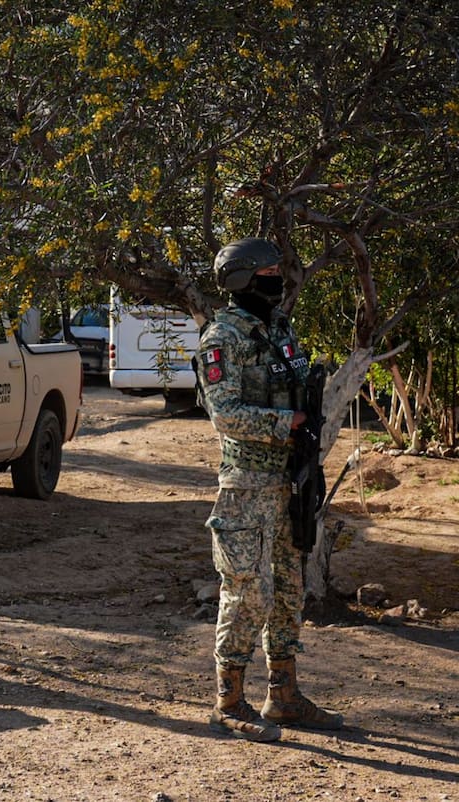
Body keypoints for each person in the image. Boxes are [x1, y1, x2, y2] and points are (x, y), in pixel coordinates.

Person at [195, 237, 344, 742]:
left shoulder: (279, 329)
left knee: (287, 589)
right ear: (246, 278)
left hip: (290, 480)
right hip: (247, 485)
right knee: (246, 589)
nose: (279, 278)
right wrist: (288, 420)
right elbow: (225, 415)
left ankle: (283, 696)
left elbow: (299, 383)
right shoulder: (223, 337)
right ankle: (230, 701)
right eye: (271, 271)